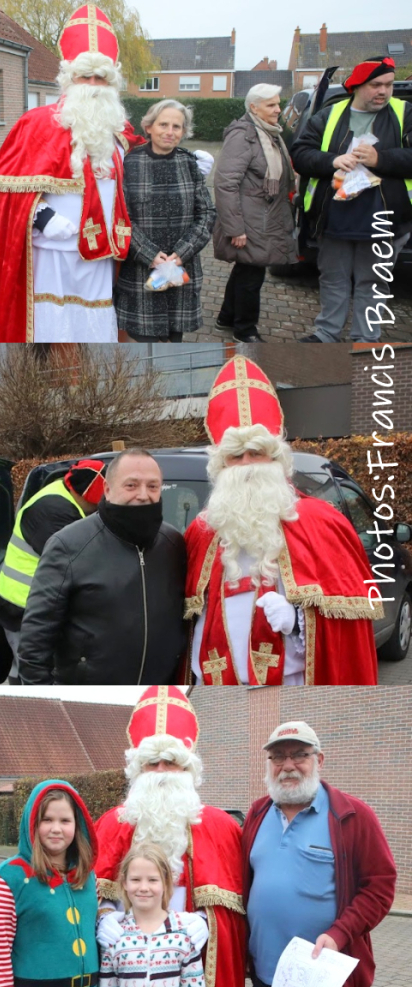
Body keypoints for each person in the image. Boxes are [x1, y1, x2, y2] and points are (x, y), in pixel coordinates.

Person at [183, 355, 381, 685]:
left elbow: (348, 635)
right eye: (236, 455)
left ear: (276, 459)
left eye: (257, 453)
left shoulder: (322, 523)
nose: (247, 464)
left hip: (290, 688)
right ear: (221, 465)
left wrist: (298, 619)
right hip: (214, 689)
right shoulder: (201, 531)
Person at [0, 4, 141, 343]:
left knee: (93, 320)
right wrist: (44, 217)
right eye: (85, 77)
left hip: (100, 248)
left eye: (101, 78)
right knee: (51, 321)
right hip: (51, 248)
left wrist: (180, 160)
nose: (93, 85)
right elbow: (8, 191)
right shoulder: (35, 123)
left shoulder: (119, 129)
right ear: (69, 80)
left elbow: (138, 167)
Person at [93, 688, 245, 987]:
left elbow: (241, 910)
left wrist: (206, 923)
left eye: (171, 762)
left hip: (196, 962)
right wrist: (104, 917)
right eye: (152, 763)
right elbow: (88, 894)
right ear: (137, 769)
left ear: (188, 768)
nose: (161, 771)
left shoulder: (222, 827)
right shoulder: (110, 824)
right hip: (129, 971)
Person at [242, 720, 396, 987]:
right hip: (266, 977)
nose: (287, 766)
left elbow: (379, 887)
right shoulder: (257, 814)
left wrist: (339, 934)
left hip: (323, 979)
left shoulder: (352, 815)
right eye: (277, 757)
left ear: (319, 760)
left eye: (299, 754)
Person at [17, 449, 185, 685]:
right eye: (131, 485)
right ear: (107, 489)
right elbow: (36, 637)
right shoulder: (69, 545)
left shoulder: (174, 544)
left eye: (153, 486)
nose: (143, 494)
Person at [292, 56, 412, 343]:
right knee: (332, 278)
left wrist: (380, 159)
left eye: (388, 85)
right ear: (357, 86)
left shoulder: (405, 113)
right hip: (334, 218)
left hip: (386, 220)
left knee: (374, 282)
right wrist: (333, 160)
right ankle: (326, 333)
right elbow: (300, 154)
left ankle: (365, 339)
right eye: (375, 85)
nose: (383, 91)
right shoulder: (329, 115)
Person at [0, 779, 98, 987]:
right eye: (47, 820)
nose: (56, 828)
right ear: (32, 823)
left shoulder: (88, 878)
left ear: (78, 826)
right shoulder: (7, 880)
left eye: (65, 821)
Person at [0, 459, 106, 683]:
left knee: (21, 669)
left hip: (28, 604)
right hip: (24, 607)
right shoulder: (54, 511)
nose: (98, 510)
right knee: (33, 672)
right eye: (97, 505)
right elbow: (80, 564)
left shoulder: (61, 492)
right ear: (84, 496)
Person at [116, 100, 215, 342]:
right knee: (143, 341)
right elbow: (119, 215)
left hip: (180, 266)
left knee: (174, 338)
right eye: (163, 124)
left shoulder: (189, 164)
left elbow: (207, 213)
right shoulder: (129, 163)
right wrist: (147, 253)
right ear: (148, 127)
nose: (170, 132)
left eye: (177, 127)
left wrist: (182, 252)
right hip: (141, 269)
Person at [212, 84, 298, 343]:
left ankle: (226, 318)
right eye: (271, 105)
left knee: (245, 269)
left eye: (278, 103)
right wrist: (235, 228)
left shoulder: (269, 133)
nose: (278, 109)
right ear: (254, 107)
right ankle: (245, 330)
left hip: (263, 217)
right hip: (250, 221)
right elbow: (225, 183)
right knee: (253, 273)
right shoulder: (244, 136)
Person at [95, 842, 208, 987]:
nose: (144, 887)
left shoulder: (183, 934)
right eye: (136, 879)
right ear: (124, 883)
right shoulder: (115, 936)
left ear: (166, 882)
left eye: (153, 880)